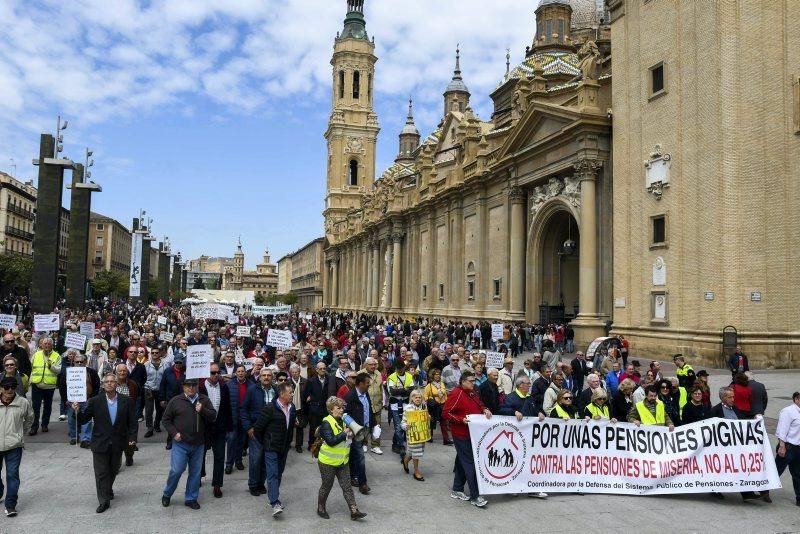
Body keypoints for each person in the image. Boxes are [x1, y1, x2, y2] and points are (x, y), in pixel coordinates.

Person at [74, 373, 137, 514]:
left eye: (112, 381)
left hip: (118, 442)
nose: (109, 383)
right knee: (101, 473)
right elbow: (84, 419)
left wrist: (132, 438)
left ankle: (108, 489)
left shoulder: (126, 401)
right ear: (102, 385)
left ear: (116, 384)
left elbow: (132, 422)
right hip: (100, 442)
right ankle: (103, 500)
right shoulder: (95, 401)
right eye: (106, 382)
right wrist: (77, 411)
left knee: (114, 469)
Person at [161, 378, 217, 510]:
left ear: (197, 386)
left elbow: (213, 416)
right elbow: (166, 419)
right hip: (181, 443)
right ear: (183, 387)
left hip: (198, 443)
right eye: (188, 385)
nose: (191, 388)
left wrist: (202, 410)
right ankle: (167, 493)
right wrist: (174, 433)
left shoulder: (203, 400)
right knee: (176, 470)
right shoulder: (176, 401)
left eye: (193, 385)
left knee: (195, 473)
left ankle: (191, 498)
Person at [442, 371, 492, 508]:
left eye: (474, 381)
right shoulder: (456, 394)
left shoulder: (471, 391)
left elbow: (479, 403)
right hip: (461, 434)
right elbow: (446, 413)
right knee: (470, 464)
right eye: (470, 381)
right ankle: (475, 496)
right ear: (463, 381)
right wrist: (460, 420)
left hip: (473, 434)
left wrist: (485, 409)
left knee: (461, 461)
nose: (473, 383)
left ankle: (457, 489)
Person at [316, 396, 367, 521]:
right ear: (331, 409)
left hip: (343, 461)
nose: (341, 410)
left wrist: (353, 432)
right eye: (338, 408)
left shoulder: (344, 420)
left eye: (342, 407)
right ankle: (320, 507)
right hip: (327, 462)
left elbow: (350, 438)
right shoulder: (326, 423)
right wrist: (345, 433)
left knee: (347, 486)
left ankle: (354, 510)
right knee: (326, 486)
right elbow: (331, 441)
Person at [710, 386, 762, 502]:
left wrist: (754, 419)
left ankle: (747, 494)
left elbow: (742, 421)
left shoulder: (735, 408)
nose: (733, 399)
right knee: (721, 470)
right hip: (722, 447)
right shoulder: (715, 410)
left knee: (741, 468)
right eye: (730, 397)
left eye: (733, 397)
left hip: (737, 446)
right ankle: (714, 490)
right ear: (723, 398)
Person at [252, 381, 296, 517]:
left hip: (283, 448)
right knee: (272, 474)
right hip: (271, 448)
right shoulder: (270, 408)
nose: (293, 394)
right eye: (290, 392)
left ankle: (273, 496)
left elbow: (290, 428)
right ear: (282, 394)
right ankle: (274, 502)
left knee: (279, 473)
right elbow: (258, 429)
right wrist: (266, 443)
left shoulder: (292, 407)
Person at [0, 376, 33, 517]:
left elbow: (30, 418)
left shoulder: (23, 402)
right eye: (7, 387)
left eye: (13, 387)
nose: (10, 390)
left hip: (14, 445)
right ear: (1, 388)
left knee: (12, 475)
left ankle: (10, 505)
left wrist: (21, 433)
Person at [199, 362, 232, 498]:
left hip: (219, 427)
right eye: (213, 372)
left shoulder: (224, 387)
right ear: (207, 373)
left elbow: (228, 407)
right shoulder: (200, 388)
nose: (216, 375)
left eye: (218, 372)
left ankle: (217, 485)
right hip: (204, 428)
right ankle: (199, 476)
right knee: (200, 455)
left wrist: (229, 426)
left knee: (219, 456)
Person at [241, 368, 275, 496]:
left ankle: (261, 483)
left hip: (271, 431)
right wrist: (248, 427)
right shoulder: (252, 390)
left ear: (272, 378)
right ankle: (253, 484)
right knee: (256, 459)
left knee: (267, 458)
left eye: (269, 375)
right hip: (256, 430)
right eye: (263, 375)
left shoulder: (276, 391)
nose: (266, 377)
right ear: (259, 377)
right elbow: (243, 409)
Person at [343, 373, 374, 494]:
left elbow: (369, 409)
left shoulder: (366, 393)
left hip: (365, 429)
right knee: (360, 456)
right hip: (355, 432)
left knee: (354, 454)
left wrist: (374, 424)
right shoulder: (349, 396)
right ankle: (363, 483)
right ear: (360, 384)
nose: (369, 385)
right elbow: (345, 415)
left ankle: (353, 476)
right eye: (367, 384)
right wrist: (353, 428)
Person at [60, 353, 100, 447]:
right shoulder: (68, 372)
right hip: (72, 400)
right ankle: (74, 437)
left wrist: (92, 398)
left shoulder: (91, 372)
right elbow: (62, 386)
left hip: (87, 399)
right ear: (73, 362)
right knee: (72, 419)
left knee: (87, 420)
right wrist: (65, 399)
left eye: (81, 362)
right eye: (77, 362)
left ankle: (85, 438)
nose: (79, 363)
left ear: (85, 362)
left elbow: (96, 385)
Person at [28, 337, 61, 436]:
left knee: (47, 406)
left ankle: (44, 425)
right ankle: (34, 427)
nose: (46, 345)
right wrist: (30, 380)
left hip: (49, 386)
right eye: (45, 344)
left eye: (48, 344)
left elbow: (59, 370)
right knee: (35, 407)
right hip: (37, 384)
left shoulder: (57, 356)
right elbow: (31, 367)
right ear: (41, 345)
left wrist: (51, 366)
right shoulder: (36, 354)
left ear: (52, 345)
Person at [775, 392, 800, 507]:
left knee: (798, 474)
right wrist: (782, 445)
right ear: (796, 399)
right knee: (777, 471)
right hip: (788, 446)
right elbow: (782, 430)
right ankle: (764, 491)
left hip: (798, 448)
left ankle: (799, 498)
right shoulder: (788, 411)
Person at [159, 354, 186, 450]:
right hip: (170, 400)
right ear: (174, 362)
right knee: (170, 421)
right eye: (177, 362)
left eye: (180, 362)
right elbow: (162, 385)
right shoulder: (168, 371)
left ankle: (181, 439)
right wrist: (162, 398)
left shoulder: (186, 371)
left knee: (181, 421)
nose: (178, 364)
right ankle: (170, 440)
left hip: (183, 399)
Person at [401, 389, 429, 481]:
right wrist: (406, 426)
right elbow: (403, 422)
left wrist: (428, 417)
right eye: (415, 397)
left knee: (411, 452)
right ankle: (416, 472)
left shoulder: (424, 406)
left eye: (419, 397)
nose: (417, 399)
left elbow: (426, 419)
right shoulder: (408, 408)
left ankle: (405, 461)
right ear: (412, 398)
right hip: (412, 435)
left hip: (421, 434)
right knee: (416, 453)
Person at [386, 361, 414, 455]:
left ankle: (395, 444)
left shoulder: (409, 376)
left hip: (406, 404)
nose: (399, 370)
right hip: (395, 404)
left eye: (401, 368)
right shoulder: (392, 377)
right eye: (397, 368)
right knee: (398, 426)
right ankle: (401, 446)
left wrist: (400, 390)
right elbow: (392, 392)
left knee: (404, 425)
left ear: (404, 368)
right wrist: (404, 390)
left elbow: (411, 390)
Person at [225, 364, 248, 474]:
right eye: (238, 371)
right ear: (235, 373)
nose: (240, 373)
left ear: (245, 373)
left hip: (244, 419)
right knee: (231, 441)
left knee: (241, 441)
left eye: (242, 371)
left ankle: (238, 461)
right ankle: (229, 463)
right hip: (232, 418)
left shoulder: (251, 385)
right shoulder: (229, 385)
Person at [306, 361, 333, 452]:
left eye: (324, 368)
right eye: (320, 369)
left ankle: (322, 446)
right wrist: (311, 399)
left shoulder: (329, 379)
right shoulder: (311, 380)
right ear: (316, 370)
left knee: (325, 428)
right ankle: (312, 446)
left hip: (326, 409)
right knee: (313, 429)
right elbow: (306, 395)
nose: (322, 370)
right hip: (315, 409)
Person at [424, 367, 450, 444]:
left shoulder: (442, 384)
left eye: (439, 374)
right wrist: (429, 400)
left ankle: (446, 439)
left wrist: (446, 402)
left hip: (442, 405)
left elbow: (445, 394)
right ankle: (429, 437)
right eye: (436, 374)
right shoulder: (429, 385)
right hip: (433, 406)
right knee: (431, 422)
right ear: (432, 376)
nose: (437, 376)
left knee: (443, 422)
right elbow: (425, 396)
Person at [288, 364, 308, 453]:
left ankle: (298, 445)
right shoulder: (288, 382)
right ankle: (288, 443)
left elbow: (309, 391)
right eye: (293, 372)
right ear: (290, 373)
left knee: (300, 427)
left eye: (296, 372)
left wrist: (309, 396)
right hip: (290, 407)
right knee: (289, 427)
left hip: (302, 407)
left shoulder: (305, 381)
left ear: (299, 372)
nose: (295, 374)